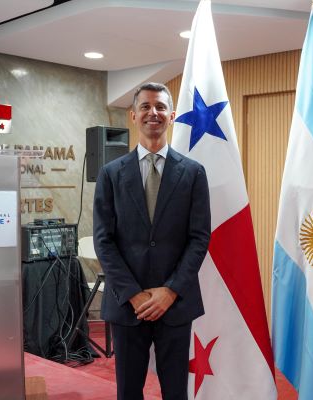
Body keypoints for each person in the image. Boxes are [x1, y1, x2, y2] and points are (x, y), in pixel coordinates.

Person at [93, 82, 211, 400]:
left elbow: (199, 238)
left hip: (175, 302)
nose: (153, 113)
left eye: (160, 107)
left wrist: (170, 290)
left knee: (176, 392)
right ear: (133, 115)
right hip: (127, 304)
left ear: (171, 116)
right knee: (129, 391)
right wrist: (133, 294)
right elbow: (103, 241)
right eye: (145, 106)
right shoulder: (110, 174)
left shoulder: (194, 174)